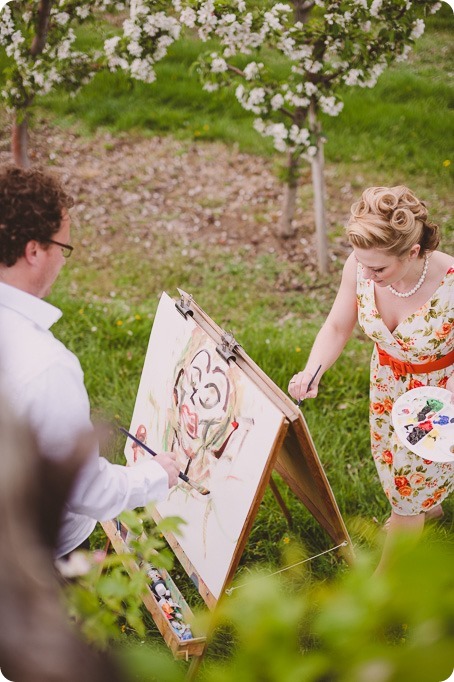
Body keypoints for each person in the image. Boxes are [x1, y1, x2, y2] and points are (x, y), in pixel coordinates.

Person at [0, 165, 180, 559]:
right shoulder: (45, 366)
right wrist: (156, 474)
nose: (64, 262)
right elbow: (85, 490)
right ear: (34, 251)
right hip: (35, 554)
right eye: (63, 248)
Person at [288, 185, 453, 572]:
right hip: (387, 385)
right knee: (390, 461)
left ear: (412, 253)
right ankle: (429, 508)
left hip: (439, 396)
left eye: (377, 268)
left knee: (406, 490)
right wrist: (312, 371)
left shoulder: (450, 282)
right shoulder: (360, 268)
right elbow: (336, 326)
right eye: (362, 264)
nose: (366, 274)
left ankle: (384, 581)